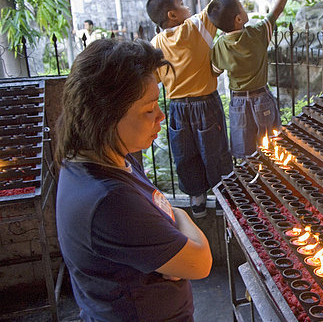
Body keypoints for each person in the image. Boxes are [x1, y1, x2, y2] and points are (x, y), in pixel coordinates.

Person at [55, 39, 212, 321]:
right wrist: (181, 219)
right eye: (148, 109)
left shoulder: (108, 157)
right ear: (105, 117)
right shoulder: (109, 200)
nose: (161, 116)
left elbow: (163, 212)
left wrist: (174, 220)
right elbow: (200, 262)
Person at [145, 0, 255, 218]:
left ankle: (197, 200)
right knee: (214, 149)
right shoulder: (196, 27)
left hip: (177, 108)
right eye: (182, 3)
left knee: (185, 153)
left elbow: (154, 79)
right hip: (206, 103)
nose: (187, 7)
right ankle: (224, 197)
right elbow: (218, 2)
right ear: (173, 14)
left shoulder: (156, 44)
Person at [207, 0, 305, 158]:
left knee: (245, 156)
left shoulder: (219, 47)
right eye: (242, 6)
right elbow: (276, 11)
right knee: (273, 151)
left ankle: (251, 186)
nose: (244, 8)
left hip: (238, 104)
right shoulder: (257, 33)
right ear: (239, 19)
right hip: (262, 100)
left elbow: (215, 71)